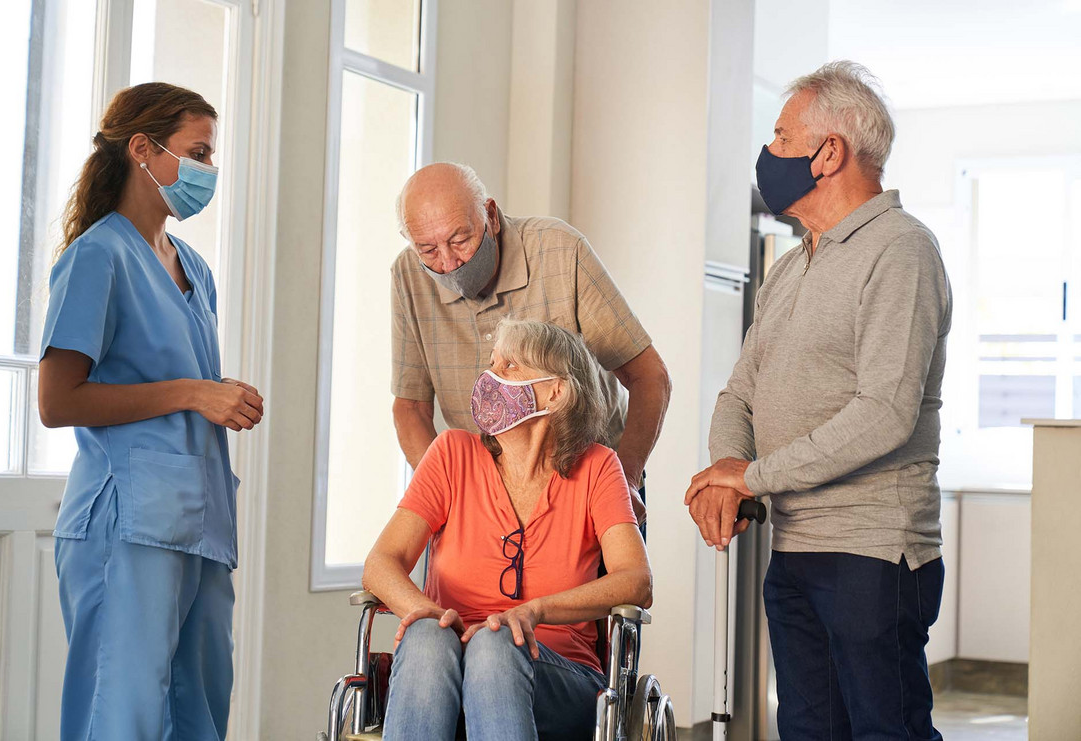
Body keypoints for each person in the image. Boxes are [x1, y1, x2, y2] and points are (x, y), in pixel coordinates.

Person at [685, 61, 951, 740]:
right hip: (796, 548)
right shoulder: (793, 264)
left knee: (886, 732)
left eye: (780, 137)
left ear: (829, 151)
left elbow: (885, 411)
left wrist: (752, 475)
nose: (768, 155)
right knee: (808, 731)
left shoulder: (902, 250)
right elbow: (740, 390)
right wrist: (726, 471)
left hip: (873, 554)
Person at [38, 82, 263, 740]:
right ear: (144, 149)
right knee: (122, 719)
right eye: (198, 152)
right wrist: (195, 391)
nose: (209, 171)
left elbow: (164, 373)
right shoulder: (95, 257)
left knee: (200, 713)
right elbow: (57, 399)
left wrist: (217, 391)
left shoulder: (192, 266)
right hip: (126, 527)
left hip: (200, 523)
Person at [363, 318, 652, 740]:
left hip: (556, 674)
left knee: (499, 641)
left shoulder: (598, 467)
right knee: (427, 635)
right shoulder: (451, 454)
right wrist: (423, 610)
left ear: (555, 391)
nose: (489, 378)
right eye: (492, 363)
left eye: (510, 366)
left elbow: (637, 581)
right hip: (445, 659)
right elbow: (380, 563)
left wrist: (533, 612)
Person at [390, 162, 670, 524]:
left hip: (586, 484)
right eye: (428, 250)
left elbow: (650, 376)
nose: (448, 263)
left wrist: (626, 480)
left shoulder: (560, 250)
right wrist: (447, 493)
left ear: (490, 216)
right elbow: (410, 407)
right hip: (482, 496)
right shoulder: (407, 275)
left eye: (460, 240)